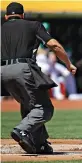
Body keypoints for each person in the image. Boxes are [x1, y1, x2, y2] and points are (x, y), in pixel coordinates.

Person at [1, 2, 77, 154]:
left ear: (6, 16)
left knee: (30, 106)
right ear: (23, 15)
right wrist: (68, 63)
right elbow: (54, 45)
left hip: (2, 71)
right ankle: (21, 130)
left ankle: (40, 144)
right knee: (44, 108)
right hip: (23, 69)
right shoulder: (33, 25)